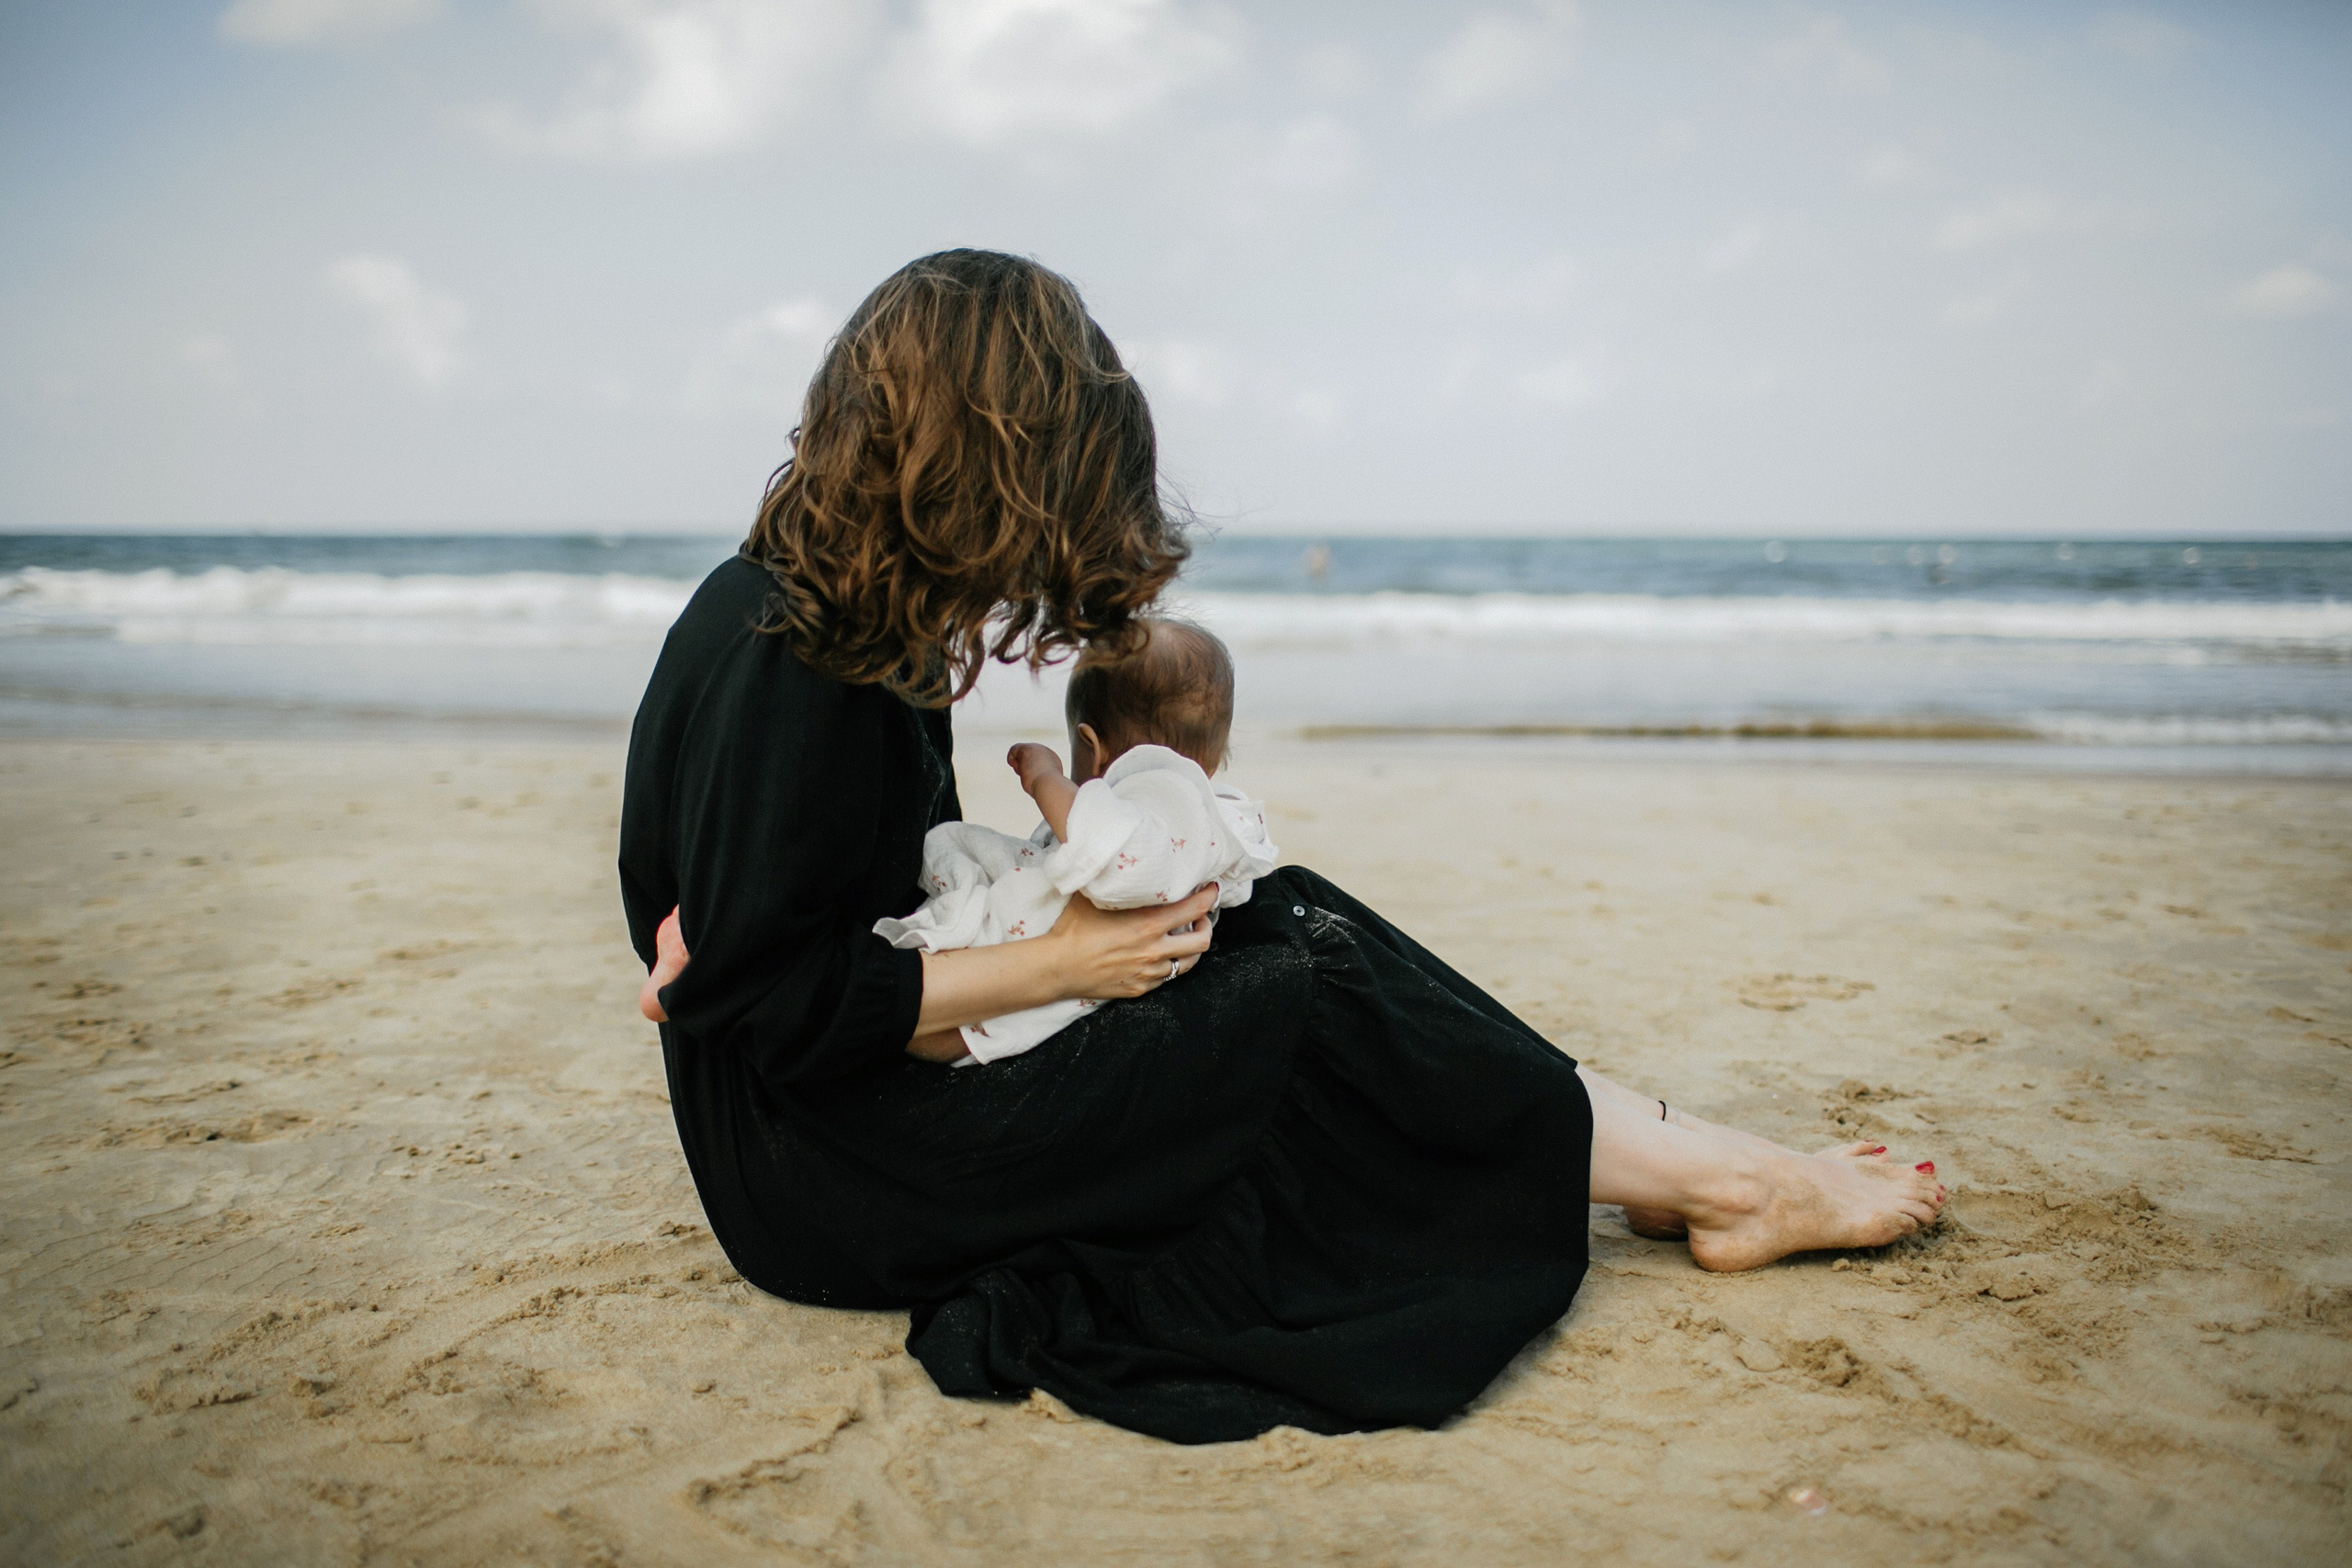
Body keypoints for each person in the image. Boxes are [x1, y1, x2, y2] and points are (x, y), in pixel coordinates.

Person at [618, 249, 1944, 1445]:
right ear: (985, 458)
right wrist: (1070, 962)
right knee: (1288, 994)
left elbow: (835, 922)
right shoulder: (788, 654)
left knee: (1282, 910)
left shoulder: (847, 623)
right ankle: (1721, 1179)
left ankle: (1670, 1155)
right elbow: (783, 1011)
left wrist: (1045, 936)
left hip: (857, 1099)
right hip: (827, 1179)